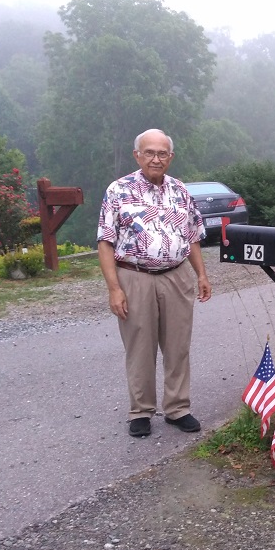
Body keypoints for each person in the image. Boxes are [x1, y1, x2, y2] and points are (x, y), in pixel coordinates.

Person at [97, 128, 212, 438]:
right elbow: (105, 243)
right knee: (140, 347)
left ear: (170, 157)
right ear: (138, 155)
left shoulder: (181, 192)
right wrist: (114, 288)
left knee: (178, 346)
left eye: (162, 153)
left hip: (176, 276)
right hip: (135, 277)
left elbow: (192, 237)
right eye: (149, 152)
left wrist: (201, 274)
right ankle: (141, 411)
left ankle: (177, 408)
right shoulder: (118, 191)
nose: (156, 159)